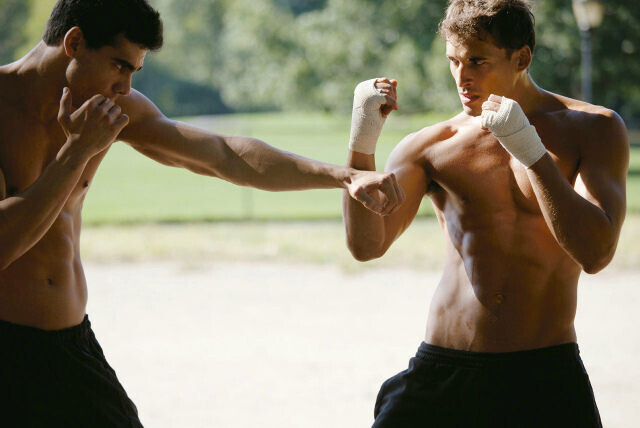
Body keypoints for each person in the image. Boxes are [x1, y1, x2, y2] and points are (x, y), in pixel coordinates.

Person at [0, 0, 405, 425]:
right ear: (75, 42)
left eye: (134, 71)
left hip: (70, 345)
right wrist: (77, 151)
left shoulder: (109, 107)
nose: (125, 87)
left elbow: (221, 154)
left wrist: (343, 176)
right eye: (119, 66)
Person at [343, 0, 628, 426]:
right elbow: (367, 245)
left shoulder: (593, 128)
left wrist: (530, 150)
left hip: (543, 376)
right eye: (453, 61)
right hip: (444, 369)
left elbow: (596, 253)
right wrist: (362, 141)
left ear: (522, 58)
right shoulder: (433, 145)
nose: (462, 77)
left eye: (477, 61)